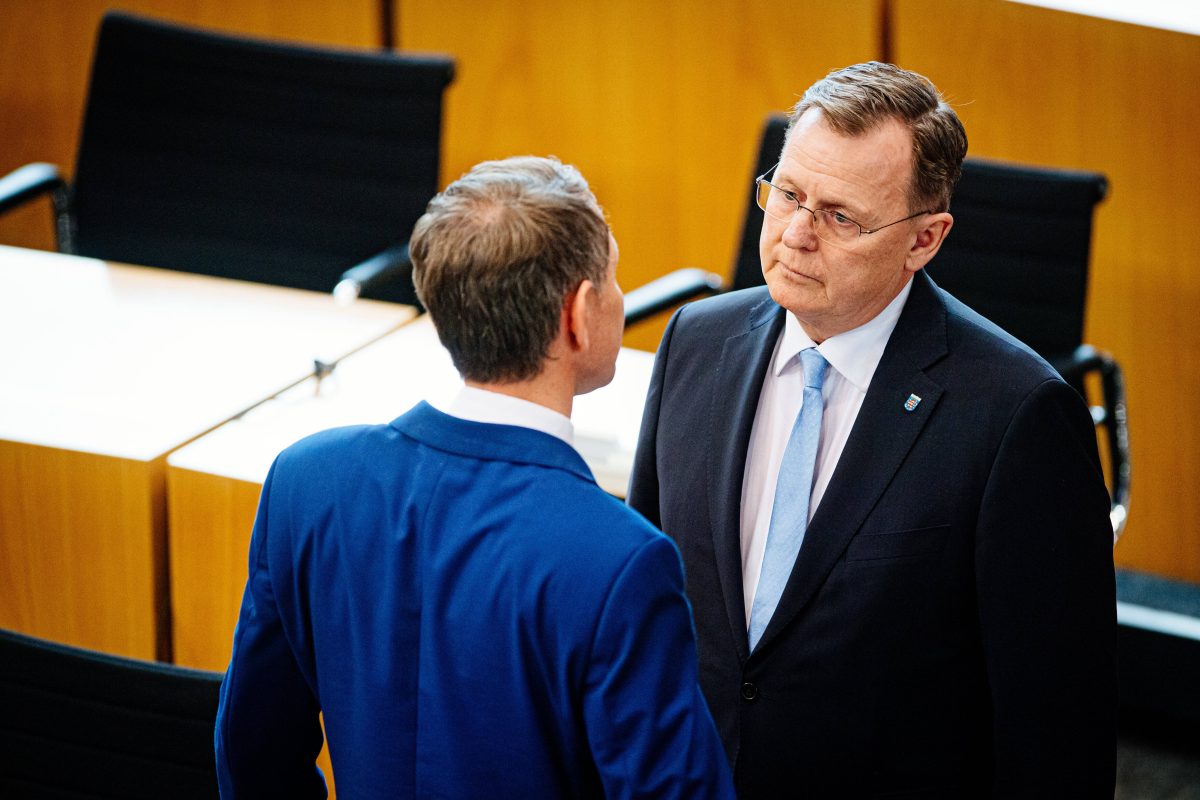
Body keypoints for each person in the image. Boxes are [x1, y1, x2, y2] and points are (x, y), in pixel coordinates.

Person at [628, 62, 1116, 797]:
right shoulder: (697, 341)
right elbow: (651, 600)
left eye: (840, 217)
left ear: (925, 240)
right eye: (787, 194)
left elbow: (1055, 723)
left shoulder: (1017, 416)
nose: (795, 235)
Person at [215, 156, 734, 799]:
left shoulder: (307, 481)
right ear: (578, 314)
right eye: (613, 277)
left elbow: (252, 752)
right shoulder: (620, 561)